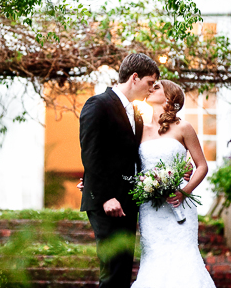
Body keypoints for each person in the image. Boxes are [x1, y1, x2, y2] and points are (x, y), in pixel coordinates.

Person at [79, 53, 191, 288]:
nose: (151, 90)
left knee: (122, 273)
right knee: (111, 272)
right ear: (135, 78)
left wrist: (179, 169)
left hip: (128, 203)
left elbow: (133, 158)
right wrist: (103, 193)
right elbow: (91, 152)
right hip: (107, 203)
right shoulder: (97, 104)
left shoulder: (137, 116)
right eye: (150, 84)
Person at [130, 80, 215, 287]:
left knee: (184, 257)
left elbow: (202, 166)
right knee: (153, 259)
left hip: (179, 204)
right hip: (150, 209)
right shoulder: (139, 128)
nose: (151, 88)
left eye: (157, 87)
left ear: (169, 97)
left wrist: (184, 192)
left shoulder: (183, 128)